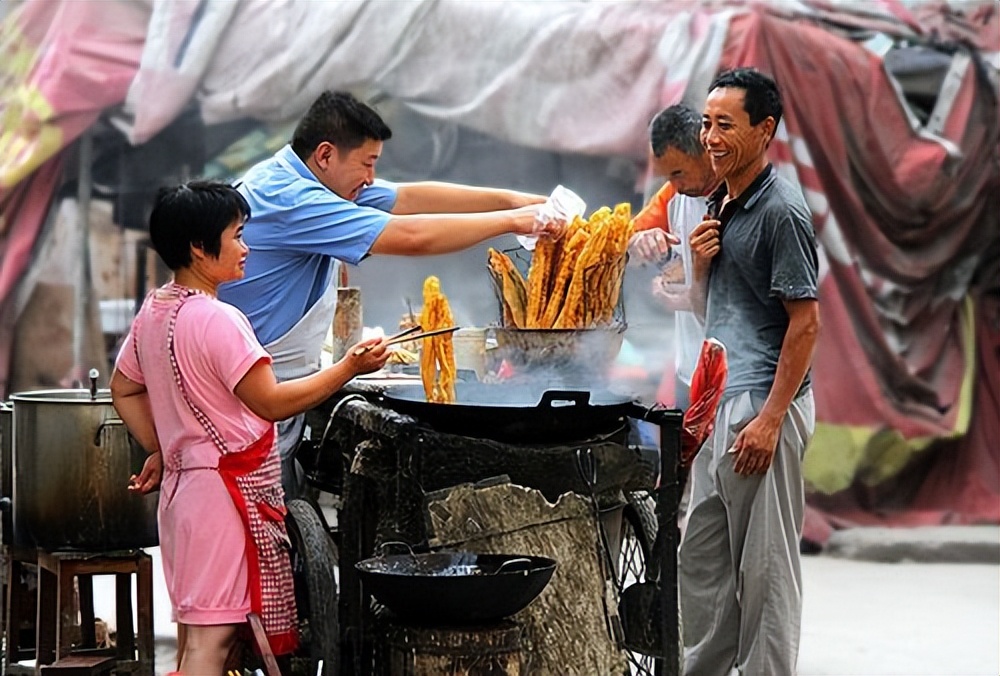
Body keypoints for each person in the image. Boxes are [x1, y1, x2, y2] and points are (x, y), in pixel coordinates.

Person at [217, 90, 564, 499]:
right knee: (252, 527)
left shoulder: (310, 178)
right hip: (252, 395)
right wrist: (512, 221)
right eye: (367, 164)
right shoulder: (291, 198)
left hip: (277, 383)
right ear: (326, 155)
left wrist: (516, 201)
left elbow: (409, 197)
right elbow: (412, 236)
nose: (369, 178)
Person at [109, 182, 391, 675]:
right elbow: (271, 402)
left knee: (198, 638)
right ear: (200, 247)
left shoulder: (155, 311)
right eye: (238, 235)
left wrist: (163, 448)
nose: (247, 248)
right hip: (220, 502)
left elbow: (124, 388)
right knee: (211, 647)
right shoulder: (219, 320)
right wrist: (348, 368)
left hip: (183, 499)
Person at [680, 68, 820, 676]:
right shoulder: (723, 201)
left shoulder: (782, 211)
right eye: (707, 123)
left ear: (765, 130)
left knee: (765, 569)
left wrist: (770, 419)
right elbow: (710, 308)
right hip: (721, 402)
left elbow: (805, 323)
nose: (710, 137)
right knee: (701, 556)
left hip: (763, 405)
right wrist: (700, 266)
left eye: (725, 125)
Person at [630, 103, 719, 412]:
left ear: (705, 149)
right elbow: (625, 247)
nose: (674, 184)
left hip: (736, 377)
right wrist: (641, 243)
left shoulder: (738, 198)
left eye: (678, 173)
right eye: (667, 176)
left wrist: (679, 299)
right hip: (689, 371)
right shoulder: (674, 195)